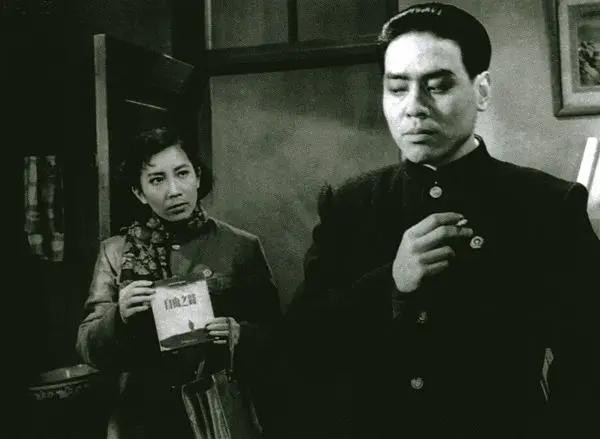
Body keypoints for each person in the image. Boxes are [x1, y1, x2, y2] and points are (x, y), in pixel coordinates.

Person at [283, 3, 600, 438]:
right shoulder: (349, 205)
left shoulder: (547, 205)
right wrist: (390, 282)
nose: (414, 108)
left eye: (438, 86)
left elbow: (589, 362)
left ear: (481, 90)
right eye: (397, 88)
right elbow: (303, 348)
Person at [76, 127, 281, 439]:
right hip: (142, 420)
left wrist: (239, 334)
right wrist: (119, 315)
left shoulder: (241, 246)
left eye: (182, 173)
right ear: (139, 192)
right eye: (157, 179)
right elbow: (87, 347)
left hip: (219, 415)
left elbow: (277, 337)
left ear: (197, 176)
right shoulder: (115, 253)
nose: (174, 190)